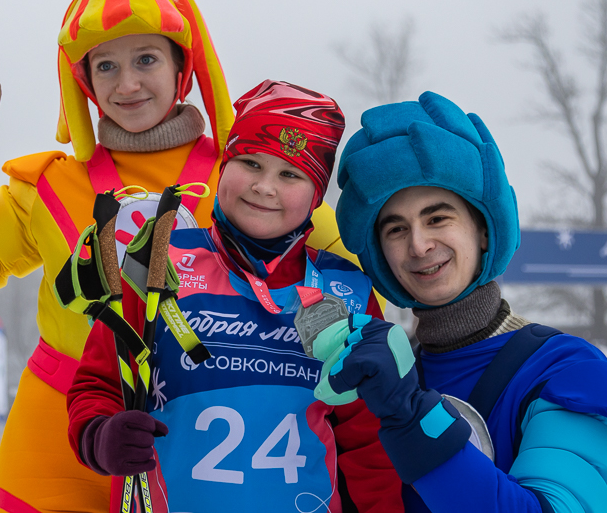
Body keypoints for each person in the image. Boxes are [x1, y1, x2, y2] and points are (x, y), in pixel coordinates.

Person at [0, 0, 357, 513]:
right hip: (58, 433)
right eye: (105, 65)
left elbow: (358, 272)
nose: (127, 83)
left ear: (182, 66)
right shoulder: (48, 187)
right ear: (83, 81)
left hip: (208, 439)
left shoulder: (247, 180)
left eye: (146, 59)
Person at [68, 81, 402, 512]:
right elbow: (98, 383)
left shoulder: (346, 291)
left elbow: (370, 441)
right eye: (251, 162)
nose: (264, 186)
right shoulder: (158, 263)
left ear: (316, 195)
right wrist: (100, 436)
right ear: (224, 166)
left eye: (290, 174)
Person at [312, 92, 607, 512]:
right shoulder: (385, 374)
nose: (419, 245)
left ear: (484, 230)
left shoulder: (567, 371)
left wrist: (409, 414)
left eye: (437, 218)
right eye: (396, 229)